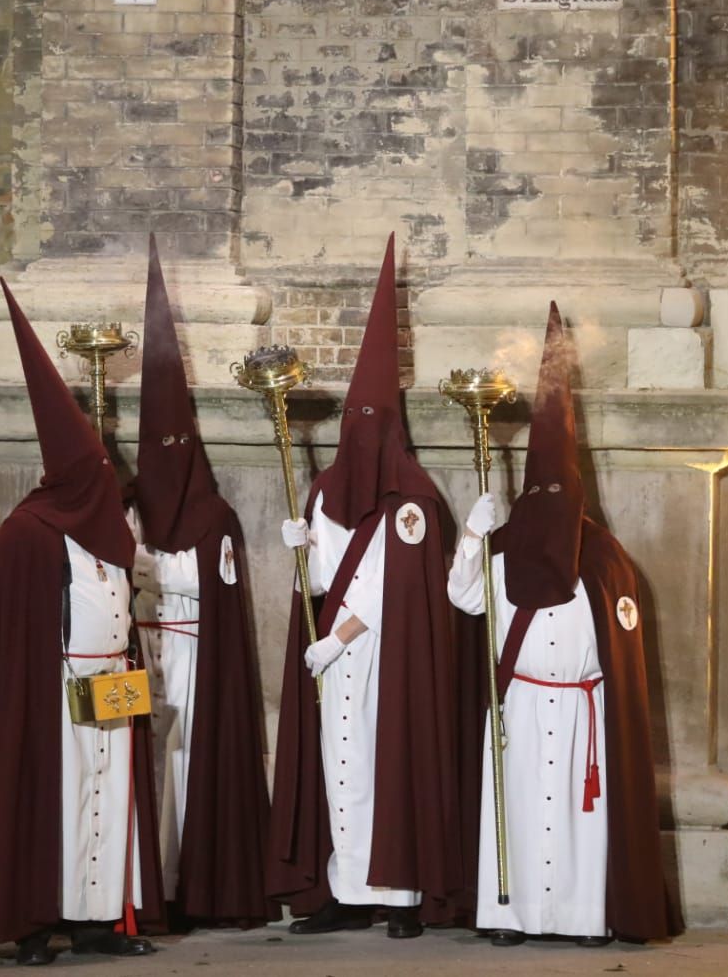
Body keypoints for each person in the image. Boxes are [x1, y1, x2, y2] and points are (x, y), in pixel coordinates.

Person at [0, 279, 162, 966]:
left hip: (112, 684)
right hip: (53, 696)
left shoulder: (110, 534)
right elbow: (7, 634)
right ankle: (35, 921)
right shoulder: (29, 533)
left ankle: (97, 921)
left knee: (106, 804)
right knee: (53, 806)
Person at [447, 302, 680, 946]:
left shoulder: (606, 561)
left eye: (560, 496)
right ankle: (509, 914)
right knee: (518, 810)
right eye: (538, 496)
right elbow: (463, 599)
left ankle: (584, 917)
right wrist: (473, 531)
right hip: (519, 707)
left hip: (584, 712)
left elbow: (621, 642)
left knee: (582, 820)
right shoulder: (502, 549)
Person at [267, 234, 467, 938]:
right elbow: (324, 579)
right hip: (335, 658)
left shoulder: (409, 497)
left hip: (384, 658)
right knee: (339, 769)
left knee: (388, 766)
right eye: (354, 419)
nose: (361, 431)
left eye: (371, 421)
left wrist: (335, 641)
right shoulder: (324, 490)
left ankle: (402, 896)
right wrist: (302, 548)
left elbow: (391, 592)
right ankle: (347, 890)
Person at [126, 236, 275, 928]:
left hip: (188, 655)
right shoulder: (125, 511)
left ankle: (191, 880)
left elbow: (207, 595)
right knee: (138, 768)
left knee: (185, 768)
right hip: (141, 651)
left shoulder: (215, 516)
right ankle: (140, 883)